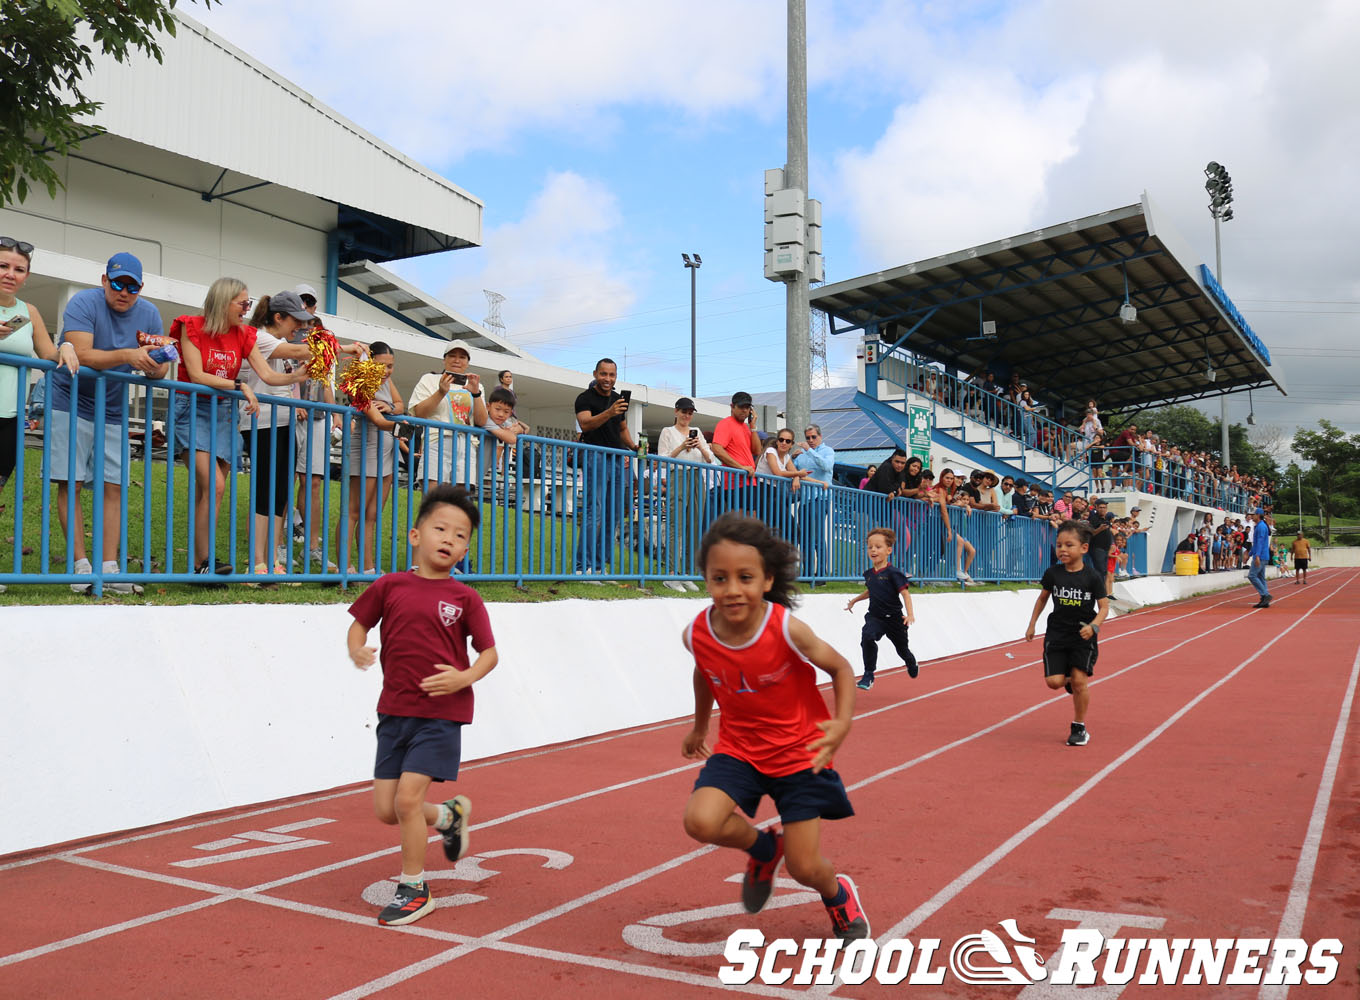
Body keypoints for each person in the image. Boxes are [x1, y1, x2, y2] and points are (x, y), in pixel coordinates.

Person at [680, 513, 869, 943]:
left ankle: (838, 895)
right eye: (719, 578)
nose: (732, 590)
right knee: (700, 821)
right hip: (740, 750)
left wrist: (840, 724)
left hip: (800, 754)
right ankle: (764, 848)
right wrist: (699, 727)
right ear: (706, 581)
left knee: (805, 868)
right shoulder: (698, 633)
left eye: (745, 577)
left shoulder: (785, 628)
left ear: (766, 580)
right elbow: (704, 671)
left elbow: (840, 668)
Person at [347, 485, 498, 926]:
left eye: (461, 535)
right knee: (387, 809)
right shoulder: (389, 585)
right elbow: (358, 627)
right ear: (416, 536)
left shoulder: (465, 598)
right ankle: (449, 815)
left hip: (440, 715)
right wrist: (357, 649)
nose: (450, 539)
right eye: (441, 529)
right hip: (393, 713)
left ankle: (414, 888)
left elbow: (489, 653)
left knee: (408, 800)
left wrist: (465, 676)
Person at [48, 252, 169, 593]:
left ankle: (109, 568)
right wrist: (128, 355)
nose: (124, 292)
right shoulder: (83, 302)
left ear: (140, 288)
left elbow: (158, 368)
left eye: (132, 286)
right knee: (70, 482)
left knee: (113, 485)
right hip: (69, 401)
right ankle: (79, 568)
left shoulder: (149, 313)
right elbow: (82, 353)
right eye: (118, 283)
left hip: (113, 408)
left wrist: (156, 364)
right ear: (104, 281)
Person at [171, 278, 306, 578]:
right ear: (223, 302)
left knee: (212, 491)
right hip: (193, 407)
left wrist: (297, 377)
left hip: (223, 411)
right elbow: (195, 374)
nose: (247, 309)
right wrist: (239, 385)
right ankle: (203, 561)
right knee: (214, 486)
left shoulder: (244, 335)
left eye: (248, 303)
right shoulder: (190, 325)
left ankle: (201, 563)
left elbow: (269, 377)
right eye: (242, 304)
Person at [240, 291, 317, 583]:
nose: (299, 326)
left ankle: (271, 561)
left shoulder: (279, 342)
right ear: (278, 317)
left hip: (282, 421)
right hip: (260, 422)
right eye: (295, 320)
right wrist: (341, 347)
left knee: (279, 494)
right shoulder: (259, 338)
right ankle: (257, 562)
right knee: (264, 490)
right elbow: (299, 353)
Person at [1024, 518, 1109, 747]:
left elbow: (1104, 607)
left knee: (1080, 681)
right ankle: (1071, 681)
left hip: (1083, 635)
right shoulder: (1053, 573)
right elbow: (1042, 598)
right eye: (1060, 544)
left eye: (1069, 545)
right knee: (1054, 682)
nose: (1063, 549)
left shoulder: (1092, 577)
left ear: (1084, 548)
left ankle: (1079, 726)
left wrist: (1094, 626)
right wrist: (1032, 624)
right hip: (1057, 634)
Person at [338, 343, 403, 575]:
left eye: (390, 366)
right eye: (381, 366)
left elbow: (399, 405)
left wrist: (392, 406)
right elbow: (380, 421)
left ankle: (368, 568)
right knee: (353, 511)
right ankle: (344, 568)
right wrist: (404, 425)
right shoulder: (360, 383)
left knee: (372, 515)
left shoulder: (386, 382)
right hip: (366, 451)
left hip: (386, 454)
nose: (386, 371)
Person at [572, 358, 636, 576]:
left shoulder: (619, 399)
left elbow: (622, 428)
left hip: (617, 458)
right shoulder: (584, 398)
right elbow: (585, 424)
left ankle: (599, 567)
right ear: (595, 374)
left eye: (611, 375)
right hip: (595, 456)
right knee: (594, 511)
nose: (607, 379)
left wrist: (634, 446)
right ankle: (583, 566)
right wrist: (610, 411)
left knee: (614, 514)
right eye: (603, 374)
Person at [844, 526, 918, 690]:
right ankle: (868, 674)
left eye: (878, 547)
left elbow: (905, 594)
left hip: (894, 619)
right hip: (875, 617)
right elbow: (871, 590)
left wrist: (910, 615)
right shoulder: (869, 574)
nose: (873, 550)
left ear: (889, 550)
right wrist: (855, 601)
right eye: (870, 547)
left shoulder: (894, 573)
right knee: (867, 637)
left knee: (902, 649)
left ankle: (910, 660)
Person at [408, 341, 486, 487]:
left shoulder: (476, 385)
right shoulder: (429, 379)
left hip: (466, 445)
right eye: (452, 355)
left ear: (468, 362)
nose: (457, 360)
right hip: (436, 441)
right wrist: (441, 392)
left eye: (462, 357)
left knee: (460, 501)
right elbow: (419, 413)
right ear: (444, 359)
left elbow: (482, 421)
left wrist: (476, 394)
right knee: (433, 498)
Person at [656, 397, 713, 583]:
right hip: (678, 475)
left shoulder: (697, 433)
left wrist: (699, 446)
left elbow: (710, 459)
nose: (687, 415)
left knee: (695, 524)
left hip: (697, 476)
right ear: (676, 412)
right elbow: (662, 459)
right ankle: (671, 573)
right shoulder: (668, 431)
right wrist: (681, 446)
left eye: (690, 412)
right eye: (684, 412)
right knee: (676, 524)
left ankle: (689, 572)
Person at [791, 424, 835, 579]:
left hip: (820, 498)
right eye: (808, 437)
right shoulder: (801, 454)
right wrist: (793, 458)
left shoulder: (827, 451)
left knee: (816, 536)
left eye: (813, 437)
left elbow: (826, 466)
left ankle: (821, 574)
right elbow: (793, 471)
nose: (810, 440)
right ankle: (808, 573)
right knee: (804, 537)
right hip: (804, 500)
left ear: (820, 437)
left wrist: (809, 451)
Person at [709, 390, 762, 517]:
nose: (744, 410)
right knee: (739, 522)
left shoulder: (746, 427)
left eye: (747, 407)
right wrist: (741, 467)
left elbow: (757, 450)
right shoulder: (726, 423)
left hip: (748, 479)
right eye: (741, 407)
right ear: (732, 406)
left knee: (750, 521)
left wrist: (753, 427)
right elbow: (717, 449)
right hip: (735, 480)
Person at [1248, 507, 1272, 608]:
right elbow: (1256, 543)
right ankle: (1264, 600)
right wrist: (1249, 554)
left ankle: (1265, 595)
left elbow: (1260, 542)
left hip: (1261, 556)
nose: (1251, 516)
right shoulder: (1259, 526)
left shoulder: (1261, 527)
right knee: (1261, 577)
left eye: (1253, 515)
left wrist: (1257, 555)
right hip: (1262, 555)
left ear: (1258, 515)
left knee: (1252, 576)